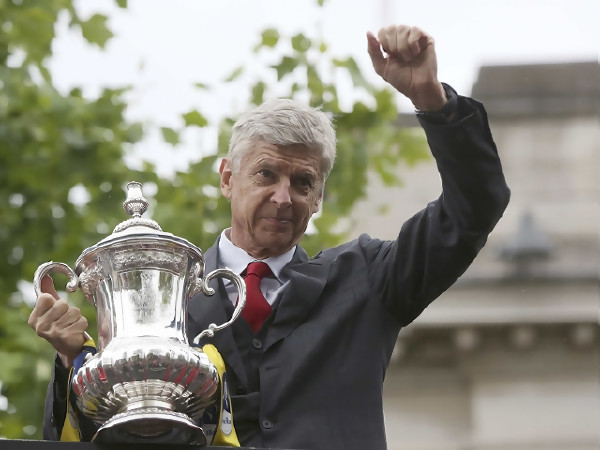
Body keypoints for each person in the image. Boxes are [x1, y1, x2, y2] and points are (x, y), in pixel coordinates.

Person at [29, 24, 510, 449]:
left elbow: (474, 208)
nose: (284, 197)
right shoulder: (160, 300)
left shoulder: (367, 279)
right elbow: (98, 436)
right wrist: (73, 360)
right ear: (227, 178)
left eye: (303, 182)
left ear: (318, 198)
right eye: (266, 174)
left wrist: (432, 101)